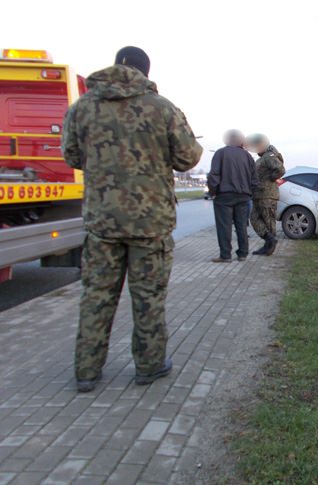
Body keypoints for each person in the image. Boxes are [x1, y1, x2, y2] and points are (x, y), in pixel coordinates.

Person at [62, 46, 203, 392]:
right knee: (149, 297)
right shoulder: (162, 109)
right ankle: (149, 366)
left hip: (101, 223)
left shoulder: (82, 108)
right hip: (150, 224)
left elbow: (71, 155)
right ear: (145, 71)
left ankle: (87, 372)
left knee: (96, 296)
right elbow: (189, 158)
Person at [207, 129, 258, 262]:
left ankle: (225, 255)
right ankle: (242, 254)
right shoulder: (247, 156)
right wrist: (250, 193)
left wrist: (213, 192)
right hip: (243, 196)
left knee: (224, 226)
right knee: (241, 225)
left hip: (224, 195)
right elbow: (254, 178)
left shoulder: (220, 153)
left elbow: (214, 175)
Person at [246, 134, 285, 255]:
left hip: (267, 195)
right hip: (259, 195)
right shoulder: (263, 157)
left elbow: (280, 169)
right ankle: (269, 241)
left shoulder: (269, 156)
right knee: (254, 219)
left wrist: (270, 179)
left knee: (268, 221)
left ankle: (269, 246)